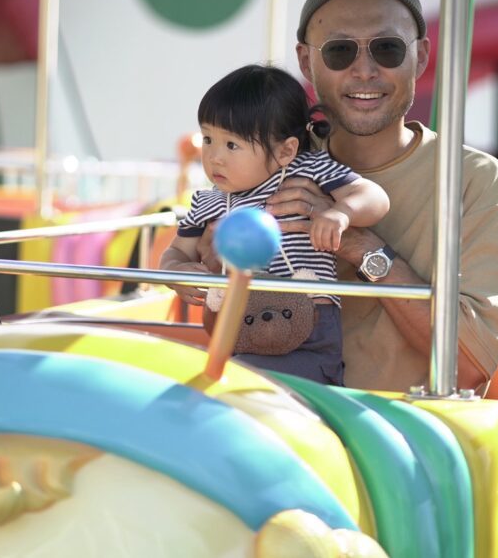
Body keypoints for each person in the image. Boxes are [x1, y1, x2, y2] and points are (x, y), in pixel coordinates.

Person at [203, 0, 498, 392]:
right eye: (339, 51)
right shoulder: (267, 160)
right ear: (305, 61)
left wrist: (363, 247)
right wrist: (211, 268)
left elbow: (467, 365)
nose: (365, 70)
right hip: (279, 417)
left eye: (387, 49)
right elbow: (217, 328)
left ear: (421, 57)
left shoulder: (474, 180)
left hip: (404, 434)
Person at [160, 64, 389, 385]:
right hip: (242, 328)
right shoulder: (209, 201)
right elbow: (174, 253)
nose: (214, 157)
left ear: (285, 151)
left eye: (232, 145)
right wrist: (179, 273)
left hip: (309, 331)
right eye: (208, 139)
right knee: (230, 380)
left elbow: (374, 197)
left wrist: (341, 213)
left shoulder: (307, 171)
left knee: (253, 383)